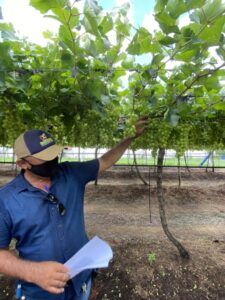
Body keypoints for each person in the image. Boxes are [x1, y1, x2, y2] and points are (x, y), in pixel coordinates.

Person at [0, 118, 147, 300]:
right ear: (23, 164)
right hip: (39, 294)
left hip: (80, 285)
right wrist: (34, 272)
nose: (54, 161)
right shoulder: (5, 200)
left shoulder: (72, 174)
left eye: (54, 154)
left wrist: (131, 136)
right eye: (45, 159)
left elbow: (105, 160)